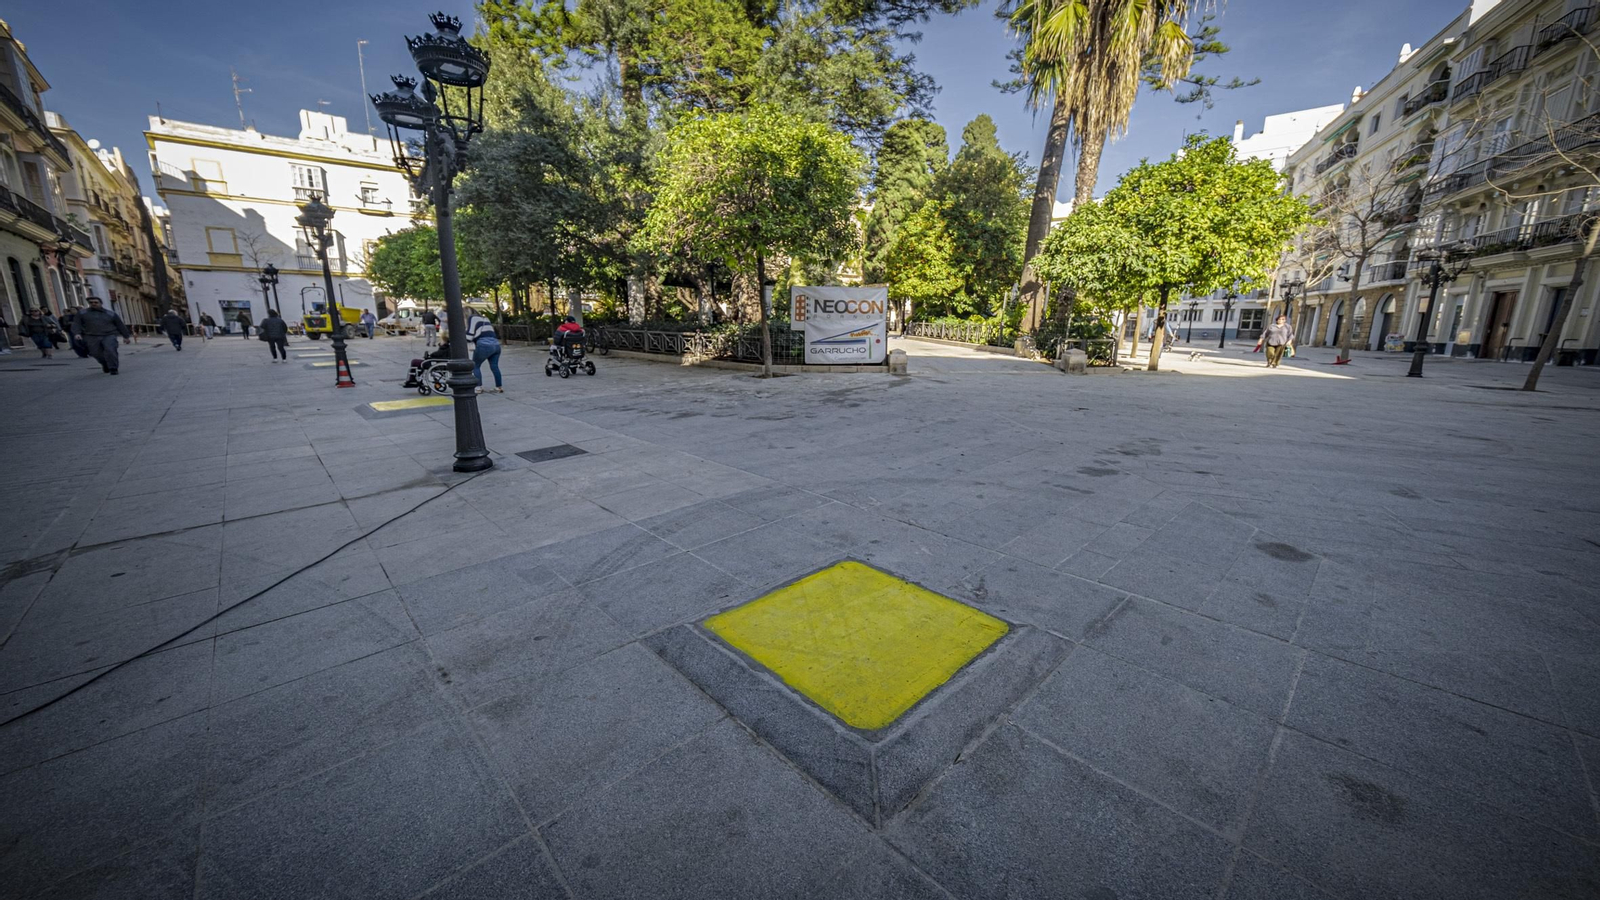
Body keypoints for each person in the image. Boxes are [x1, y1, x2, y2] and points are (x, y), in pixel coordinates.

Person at [73, 296, 131, 374]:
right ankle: (105, 363)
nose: (93, 304)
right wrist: (77, 333)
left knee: (110, 350)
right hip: (91, 336)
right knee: (95, 353)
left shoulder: (110, 313)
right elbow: (76, 324)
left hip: (109, 335)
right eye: (91, 303)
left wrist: (126, 336)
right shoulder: (82, 313)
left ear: (101, 303)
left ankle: (113, 368)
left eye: (96, 302)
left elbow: (120, 325)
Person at [466, 310, 502, 393]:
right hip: (496, 344)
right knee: (494, 366)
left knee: (475, 365)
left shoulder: (472, 318)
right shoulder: (485, 318)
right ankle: (499, 387)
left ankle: (478, 387)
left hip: (483, 345)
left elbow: (470, 334)